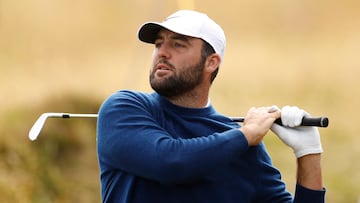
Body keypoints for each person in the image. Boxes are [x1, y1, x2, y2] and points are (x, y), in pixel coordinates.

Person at [97, 10, 326, 203]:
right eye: (158, 44)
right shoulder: (124, 108)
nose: (162, 53)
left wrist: (309, 153)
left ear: (211, 62)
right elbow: (170, 163)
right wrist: (245, 135)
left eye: (178, 44)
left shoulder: (242, 146)